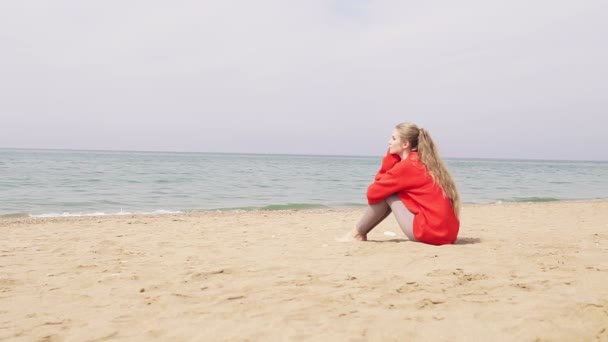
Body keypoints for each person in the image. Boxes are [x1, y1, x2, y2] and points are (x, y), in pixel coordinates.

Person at [344, 122, 460, 245]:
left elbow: (372, 193)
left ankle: (357, 233)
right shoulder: (423, 161)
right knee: (389, 190)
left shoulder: (407, 166)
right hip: (448, 234)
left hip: (430, 233)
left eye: (393, 138)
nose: (389, 142)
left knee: (387, 193)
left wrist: (390, 158)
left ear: (405, 144)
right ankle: (358, 233)